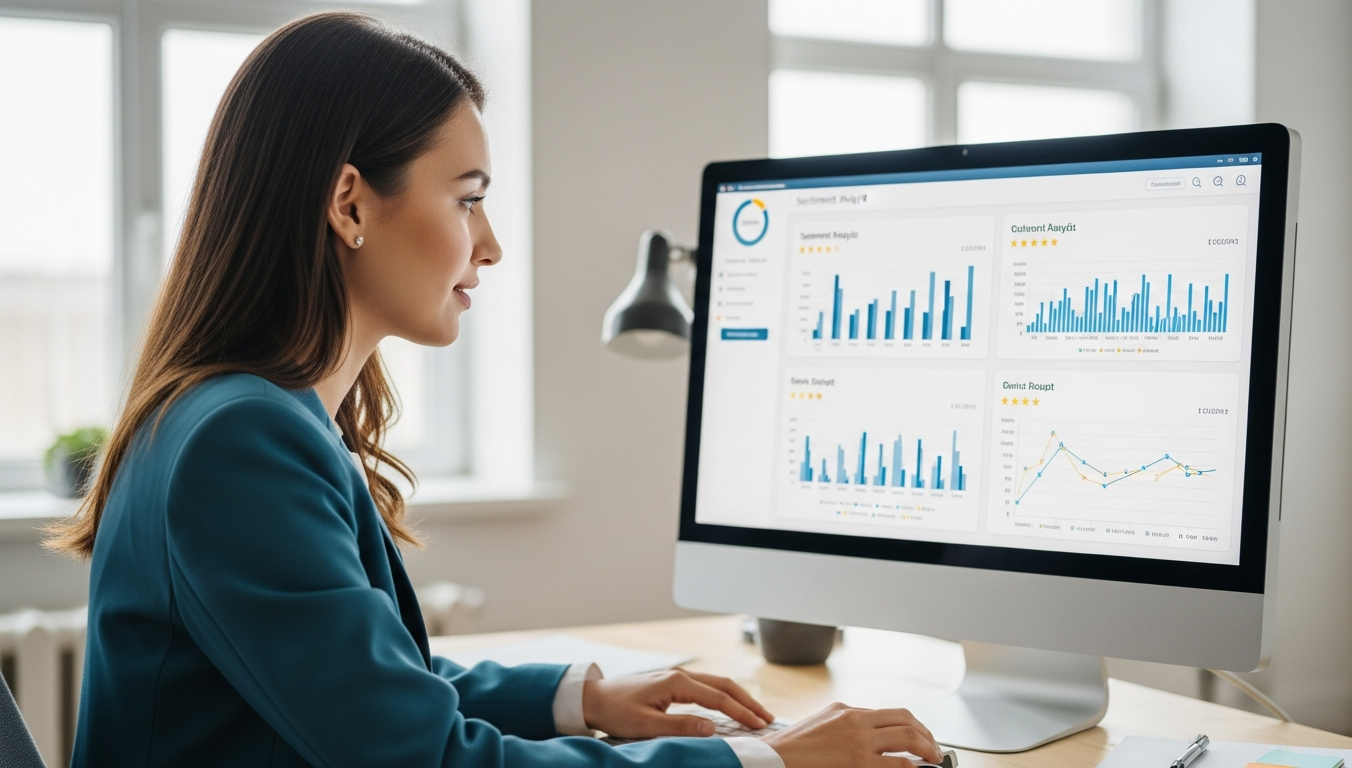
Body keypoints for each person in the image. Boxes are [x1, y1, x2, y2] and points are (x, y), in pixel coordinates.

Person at [46, 11, 945, 767]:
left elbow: (373, 689)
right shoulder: (239, 442)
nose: (491, 245)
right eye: (468, 198)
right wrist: (765, 758)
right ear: (350, 203)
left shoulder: (230, 417)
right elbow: (428, 760)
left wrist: (585, 696)